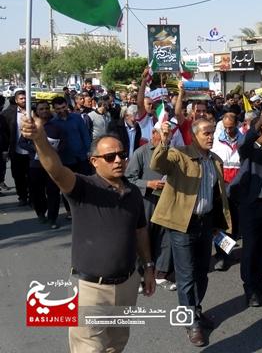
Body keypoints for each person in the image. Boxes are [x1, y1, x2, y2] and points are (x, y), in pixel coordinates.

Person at [21, 118, 155, 353]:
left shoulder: (133, 191)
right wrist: (40, 139)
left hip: (127, 285)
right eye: (110, 157)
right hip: (90, 290)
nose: (119, 161)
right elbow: (55, 169)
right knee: (89, 349)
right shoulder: (82, 187)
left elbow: (140, 230)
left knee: (117, 343)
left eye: (122, 155)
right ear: (94, 162)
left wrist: (149, 267)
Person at [150, 118, 232, 347]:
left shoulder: (215, 160)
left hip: (205, 224)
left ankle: (195, 310)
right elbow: (157, 164)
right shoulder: (180, 154)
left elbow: (216, 195)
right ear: (194, 135)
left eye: (212, 132)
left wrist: (217, 223)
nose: (210, 136)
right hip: (182, 225)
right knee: (185, 277)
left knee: (202, 273)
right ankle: (190, 322)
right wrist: (164, 140)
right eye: (206, 132)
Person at [229, 111, 262, 307]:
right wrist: (260, 121)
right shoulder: (249, 150)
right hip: (251, 206)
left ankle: (260, 281)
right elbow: (248, 138)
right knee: (251, 247)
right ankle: (249, 286)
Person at [125, 128, 175, 291]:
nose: (166, 137)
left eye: (169, 134)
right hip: (146, 201)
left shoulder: (172, 152)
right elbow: (129, 178)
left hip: (166, 201)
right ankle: (139, 275)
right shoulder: (141, 153)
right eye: (163, 134)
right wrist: (148, 184)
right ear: (154, 134)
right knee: (143, 236)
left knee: (165, 237)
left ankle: (161, 274)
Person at [18, 101, 64, 229]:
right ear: (36, 111)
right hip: (35, 165)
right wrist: (36, 148)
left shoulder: (56, 126)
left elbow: (64, 142)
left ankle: (52, 218)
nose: (44, 111)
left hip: (52, 165)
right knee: (37, 192)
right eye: (41, 109)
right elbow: (21, 143)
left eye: (46, 108)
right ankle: (41, 213)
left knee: (53, 192)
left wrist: (56, 149)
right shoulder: (31, 126)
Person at [210, 112, 243, 271]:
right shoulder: (217, 139)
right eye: (226, 127)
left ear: (237, 124)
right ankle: (222, 255)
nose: (228, 131)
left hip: (237, 188)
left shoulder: (242, 140)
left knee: (235, 224)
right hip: (221, 186)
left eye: (231, 128)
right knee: (221, 223)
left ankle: (227, 251)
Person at [1, 89, 30, 205]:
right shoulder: (9, 114)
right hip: (16, 150)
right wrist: (5, 150)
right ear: (16, 100)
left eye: (25, 98)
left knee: (33, 175)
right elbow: (5, 134)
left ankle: (33, 196)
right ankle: (22, 196)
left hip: (32, 151)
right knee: (18, 175)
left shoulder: (34, 111)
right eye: (21, 98)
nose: (24, 100)